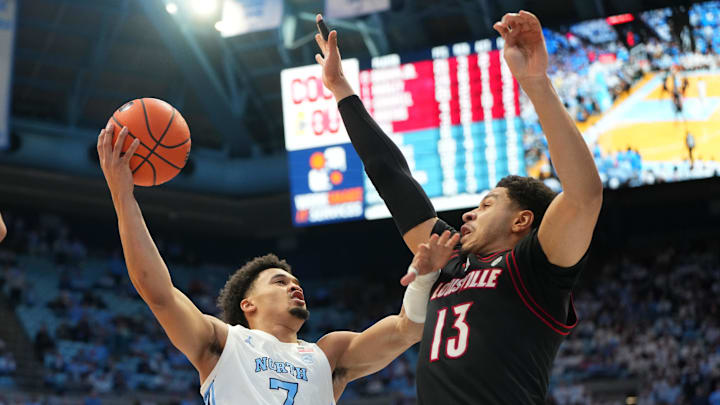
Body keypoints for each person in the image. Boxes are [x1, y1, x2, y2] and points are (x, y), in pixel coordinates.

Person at [315, 10, 603, 404]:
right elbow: (392, 176)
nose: (468, 214)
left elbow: (584, 195)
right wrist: (341, 90)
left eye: (487, 205)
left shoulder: (536, 268)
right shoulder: (449, 261)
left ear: (522, 220)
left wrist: (534, 82)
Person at [96, 123, 460, 404]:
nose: (293, 285)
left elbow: (406, 330)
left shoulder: (329, 354)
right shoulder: (224, 343)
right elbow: (158, 292)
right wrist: (122, 196)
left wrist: (423, 279)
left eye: (293, 280)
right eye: (279, 281)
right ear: (247, 304)